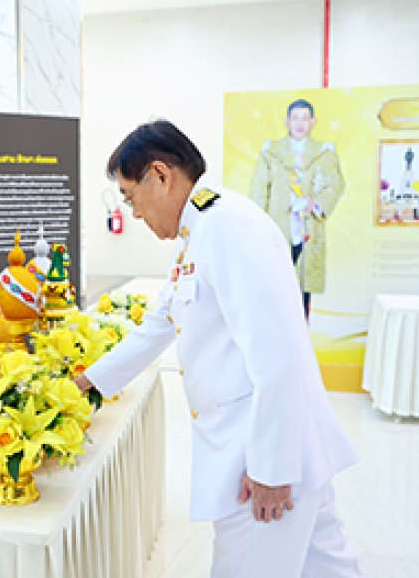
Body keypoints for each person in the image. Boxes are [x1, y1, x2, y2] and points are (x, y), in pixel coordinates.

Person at [73, 120, 363, 578]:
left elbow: (278, 354)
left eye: (131, 199)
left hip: (261, 466)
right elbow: (159, 324)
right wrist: (86, 382)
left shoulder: (227, 227)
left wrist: (271, 468)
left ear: (161, 175)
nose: (136, 216)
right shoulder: (201, 231)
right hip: (281, 447)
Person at [249, 99, 345, 318]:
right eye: (295, 118)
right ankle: (275, 336)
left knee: (303, 288)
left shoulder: (323, 152)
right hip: (278, 226)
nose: (300, 123)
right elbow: (258, 190)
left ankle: (300, 340)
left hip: (307, 227)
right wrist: (257, 227)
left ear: (312, 122)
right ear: (287, 121)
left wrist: (316, 203)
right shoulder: (271, 152)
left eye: (305, 118)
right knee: (275, 282)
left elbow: (335, 184)